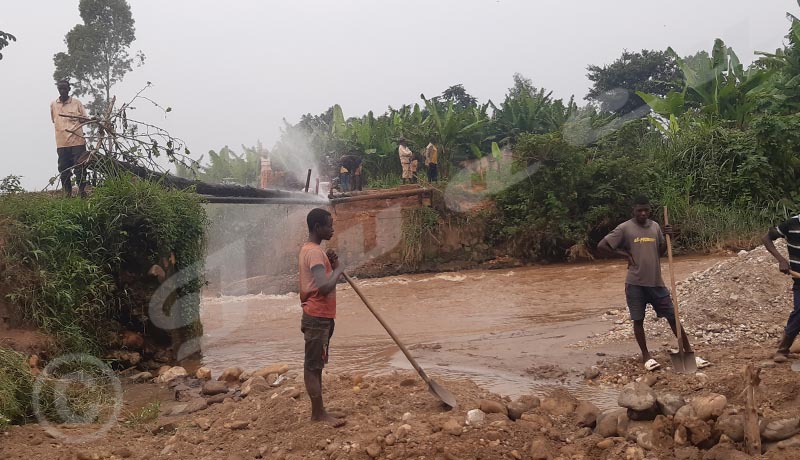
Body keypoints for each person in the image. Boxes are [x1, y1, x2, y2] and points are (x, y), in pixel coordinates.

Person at [598, 196, 710, 371]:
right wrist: (625, 255)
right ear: (633, 211)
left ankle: (689, 351)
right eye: (639, 211)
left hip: (656, 282)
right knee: (638, 319)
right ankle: (646, 356)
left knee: (673, 316)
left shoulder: (656, 226)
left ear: (649, 211)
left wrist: (668, 238)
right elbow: (602, 245)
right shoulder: (625, 228)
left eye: (646, 210)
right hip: (635, 283)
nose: (643, 213)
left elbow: (659, 252)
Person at [299, 208, 346, 427]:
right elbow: (324, 286)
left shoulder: (313, 250)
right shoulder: (315, 252)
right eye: (329, 225)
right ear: (318, 227)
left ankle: (320, 410)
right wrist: (338, 269)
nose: (332, 229)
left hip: (321, 316)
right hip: (317, 316)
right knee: (312, 366)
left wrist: (331, 264)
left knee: (317, 365)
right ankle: (318, 414)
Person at [762, 216, 800, 362]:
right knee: (799, 313)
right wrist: (782, 260)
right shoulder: (791, 224)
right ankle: (782, 349)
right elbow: (766, 238)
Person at [50, 79, 89, 198]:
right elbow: (53, 120)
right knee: (63, 169)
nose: (62, 90)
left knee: (80, 167)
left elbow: (84, 119)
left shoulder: (76, 103)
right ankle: (67, 193)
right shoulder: (53, 105)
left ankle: (82, 191)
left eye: (65, 88)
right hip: (62, 143)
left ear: (69, 89)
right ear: (58, 89)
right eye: (60, 88)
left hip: (77, 142)